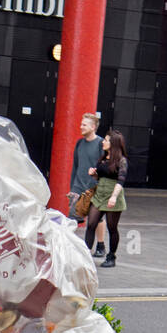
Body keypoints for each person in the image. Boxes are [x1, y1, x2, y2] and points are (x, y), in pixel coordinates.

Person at [84, 129, 128, 268]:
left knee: (112, 227)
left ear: (113, 143)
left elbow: (120, 181)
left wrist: (114, 197)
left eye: (106, 140)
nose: (103, 142)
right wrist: (94, 175)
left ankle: (111, 256)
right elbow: (101, 177)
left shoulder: (122, 161)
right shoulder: (103, 158)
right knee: (91, 224)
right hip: (99, 195)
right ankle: (85, 255)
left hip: (113, 194)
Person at [68, 111, 107, 256]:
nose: (81, 127)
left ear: (93, 127)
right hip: (78, 188)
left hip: (94, 188)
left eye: (84, 124)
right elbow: (76, 166)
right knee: (73, 219)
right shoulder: (79, 143)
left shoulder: (100, 144)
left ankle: (101, 246)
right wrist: (72, 187)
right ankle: (71, 246)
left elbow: (104, 167)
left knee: (96, 219)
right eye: (81, 124)